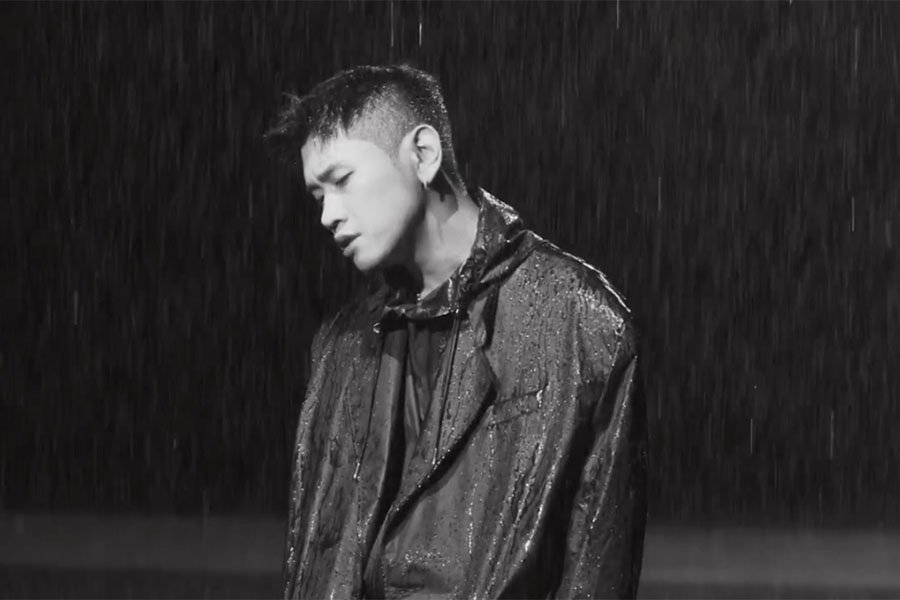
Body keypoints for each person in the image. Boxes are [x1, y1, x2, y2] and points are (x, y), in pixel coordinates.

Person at [265, 63, 648, 600]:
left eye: (342, 181)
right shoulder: (340, 345)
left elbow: (598, 566)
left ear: (423, 154)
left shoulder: (581, 325)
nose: (327, 214)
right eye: (316, 196)